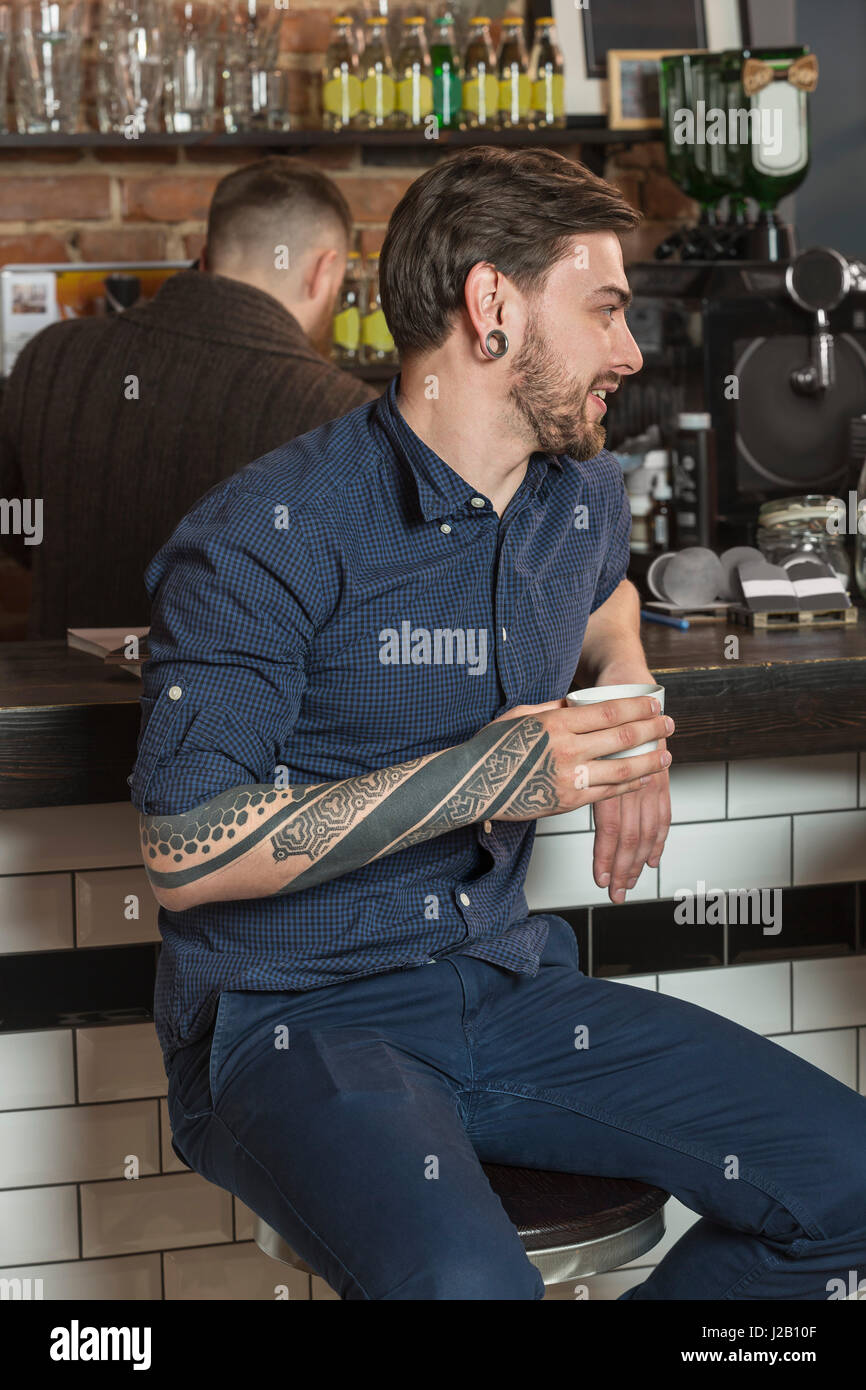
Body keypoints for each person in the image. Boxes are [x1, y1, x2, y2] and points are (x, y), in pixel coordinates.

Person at [130, 147, 866, 1301]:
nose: (630, 351)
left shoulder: (573, 498)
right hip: (295, 1021)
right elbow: (183, 849)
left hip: (505, 991)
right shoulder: (265, 531)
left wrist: (622, 692)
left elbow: (604, 588)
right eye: (605, 309)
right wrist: (482, 777)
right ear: (491, 308)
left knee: (848, 1184)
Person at [0, 156, 378, 639]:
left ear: (205, 256)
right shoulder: (342, 415)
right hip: (236, 714)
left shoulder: (48, 356)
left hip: (50, 706)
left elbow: (16, 531)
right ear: (324, 271)